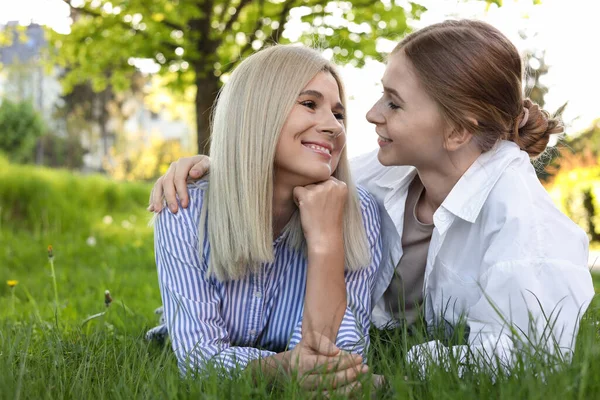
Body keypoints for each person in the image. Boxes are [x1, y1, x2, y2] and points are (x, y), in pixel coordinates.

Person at [149, 19, 595, 374]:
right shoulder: (377, 174)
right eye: (381, 95)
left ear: (458, 130)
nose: (363, 116)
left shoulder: (528, 229)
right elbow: (273, 152)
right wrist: (219, 168)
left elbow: (531, 357)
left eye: (394, 103)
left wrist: (401, 367)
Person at [149, 44, 383, 391]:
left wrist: (326, 243)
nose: (333, 126)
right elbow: (199, 360)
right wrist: (288, 366)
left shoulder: (358, 210)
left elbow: (336, 354)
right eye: (309, 104)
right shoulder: (185, 208)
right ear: (258, 111)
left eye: (338, 114)